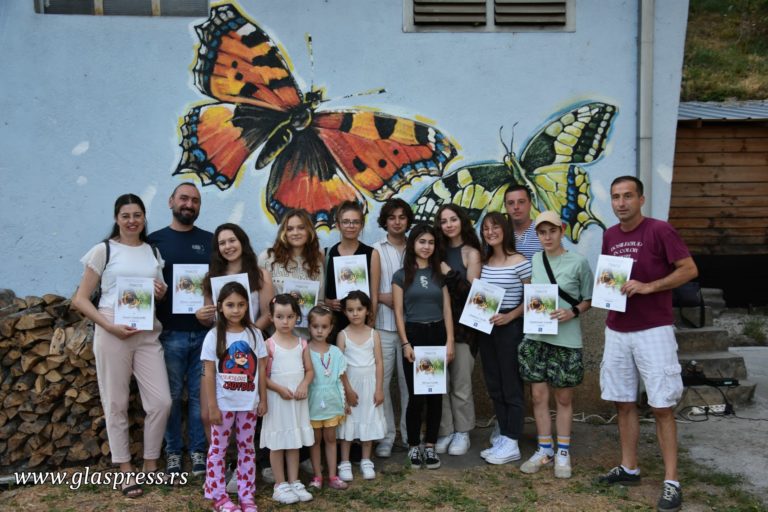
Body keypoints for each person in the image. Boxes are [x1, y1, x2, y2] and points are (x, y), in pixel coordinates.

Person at [597, 176, 697, 512]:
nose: (621, 203)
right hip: (617, 328)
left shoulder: (660, 230)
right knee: (623, 402)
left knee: (662, 406)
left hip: (653, 328)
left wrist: (650, 287)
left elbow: (688, 269)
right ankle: (629, 468)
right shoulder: (609, 235)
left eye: (628, 196)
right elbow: (611, 278)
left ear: (641, 199)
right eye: (615, 197)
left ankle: (671, 481)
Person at [72, 193, 172, 498]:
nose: (132, 221)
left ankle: (150, 463)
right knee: (115, 402)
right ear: (117, 218)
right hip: (112, 328)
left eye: (137, 215)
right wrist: (109, 326)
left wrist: (161, 291)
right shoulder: (103, 250)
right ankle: (126, 469)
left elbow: (160, 293)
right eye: (126, 215)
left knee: (161, 402)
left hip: (146, 332)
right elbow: (80, 299)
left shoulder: (152, 251)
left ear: (144, 218)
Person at [518, 211, 593, 479]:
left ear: (562, 231)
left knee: (563, 397)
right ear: (537, 235)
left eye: (552, 231)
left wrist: (572, 312)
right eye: (542, 232)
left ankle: (563, 451)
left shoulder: (579, 262)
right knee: (538, 396)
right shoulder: (535, 260)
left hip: (566, 339)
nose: (547, 237)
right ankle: (544, 449)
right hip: (537, 338)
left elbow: (588, 298)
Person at [149, 182, 212, 476]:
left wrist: (210, 312)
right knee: (172, 396)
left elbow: (220, 287)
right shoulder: (153, 242)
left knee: (201, 396)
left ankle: (199, 451)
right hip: (169, 333)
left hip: (204, 335)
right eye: (184, 198)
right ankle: (173, 452)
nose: (189, 204)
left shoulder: (211, 242)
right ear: (171, 200)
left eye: (195, 201)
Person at [195, 224, 274, 440]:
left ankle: (244, 465)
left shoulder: (260, 275)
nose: (228, 246)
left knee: (247, 412)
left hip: (248, 351)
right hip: (218, 350)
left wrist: (245, 336)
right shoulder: (211, 277)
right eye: (222, 243)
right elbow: (210, 318)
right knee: (207, 413)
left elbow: (268, 313)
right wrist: (202, 316)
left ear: (242, 242)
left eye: (232, 240)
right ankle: (218, 462)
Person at [201, 282, 268, 512]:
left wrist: (263, 399)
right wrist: (212, 406)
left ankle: (246, 494)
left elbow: (260, 370)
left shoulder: (255, 334)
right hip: (223, 404)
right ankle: (218, 495)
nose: (236, 310)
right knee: (218, 449)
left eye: (241, 304)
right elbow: (209, 374)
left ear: (247, 305)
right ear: (220, 307)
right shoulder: (213, 336)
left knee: (247, 448)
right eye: (230, 305)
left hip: (249, 404)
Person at [393, 224, 455, 470]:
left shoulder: (439, 273)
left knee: (435, 395)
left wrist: (449, 341)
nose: (426, 246)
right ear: (413, 244)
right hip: (415, 336)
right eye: (421, 241)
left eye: (430, 242)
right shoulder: (401, 275)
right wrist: (405, 342)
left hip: (437, 333)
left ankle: (430, 447)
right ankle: (413, 446)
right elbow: (398, 312)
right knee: (416, 396)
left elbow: (447, 309)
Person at [477, 212, 531, 465]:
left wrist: (510, 317)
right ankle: (503, 435)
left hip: (510, 327)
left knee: (512, 385)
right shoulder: (485, 263)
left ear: (505, 230)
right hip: (487, 329)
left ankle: (512, 440)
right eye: (486, 228)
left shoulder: (520, 261)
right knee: (494, 383)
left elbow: (533, 299)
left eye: (495, 227)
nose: (490, 232)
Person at [434, 204, 481, 456]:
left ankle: (463, 431)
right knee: (439, 382)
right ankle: (446, 430)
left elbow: (472, 295)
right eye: (443, 221)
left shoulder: (472, 253)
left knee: (461, 383)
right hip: (437, 326)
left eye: (453, 219)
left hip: (464, 328)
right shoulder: (435, 250)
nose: (449, 224)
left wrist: (449, 272)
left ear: (462, 221)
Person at [259, 294, 315, 504]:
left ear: (297, 318)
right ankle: (279, 484)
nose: (285, 321)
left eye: (290, 317)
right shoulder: (268, 345)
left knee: (294, 442)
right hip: (277, 400)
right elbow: (262, 376)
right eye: (280, 317)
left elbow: (309, 371)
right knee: (277, 443)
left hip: (297, 401)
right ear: (271, 318)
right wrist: (278, 389)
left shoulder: (302, 343)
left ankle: (294, 481)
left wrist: (303, 385)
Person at [371, 198, 411, 457]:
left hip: (411, 328)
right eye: (392, 217)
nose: (397, 222)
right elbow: (374, 293)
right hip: (384, 327)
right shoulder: (376, 250)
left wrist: (394, 296)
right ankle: (386, 436)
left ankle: (409, 436)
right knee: (382, 385)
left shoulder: (418, 247)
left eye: (402, 217)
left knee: (409, 384)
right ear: (384, 221)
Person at [336, 291, 386, 481]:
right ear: (345, 312)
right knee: (348, 423)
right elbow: (339, 366)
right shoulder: (343, 335)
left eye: (359, 309)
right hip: (350, 386)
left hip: (370, 386)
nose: (355, 313)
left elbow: (379, 363)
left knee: (368, 420)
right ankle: (345, 462)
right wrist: (347, 390)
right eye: (350, 310)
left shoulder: (374, 334)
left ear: (367, 310)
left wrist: (379, 389)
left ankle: (366, 460)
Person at [259, 209, 325, 337]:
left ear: (309, 231)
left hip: (305, 339)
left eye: (301, 228)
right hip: (273, 338)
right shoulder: (267, 258)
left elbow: (320, 302)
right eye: (290, 229)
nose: (295, 233)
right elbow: (259, 303)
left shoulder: (316, 263)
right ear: (283, 233)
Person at [306, 305, 351, 491]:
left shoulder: (336, 352)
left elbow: (341, 378)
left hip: (332, 401)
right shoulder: (304, 350)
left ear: (331, 328)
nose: (319, 330)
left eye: (324, 327)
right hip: (312, 403)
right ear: (309, 326)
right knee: (315, 440)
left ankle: (332, 475)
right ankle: (317, 475)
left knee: (331, 438)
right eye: (315, 326)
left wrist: (346, 399)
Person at [324, 201, 380, 340]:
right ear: (338, 225)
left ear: (361, 225)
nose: (351, 226)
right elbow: (321, 293)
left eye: (355, 222)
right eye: (346, 222)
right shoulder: (326, 254)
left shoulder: (372, 254)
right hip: (333, 324)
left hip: (361, 323)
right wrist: (328, 302)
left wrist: (371, 321)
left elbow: (374, 294)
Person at [504, 184, 543, 260]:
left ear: (530, 204)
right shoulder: (499, 234)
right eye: (511, 203)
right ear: (505, 207)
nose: (516, 207)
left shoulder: (544, 231)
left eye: (521, 202)